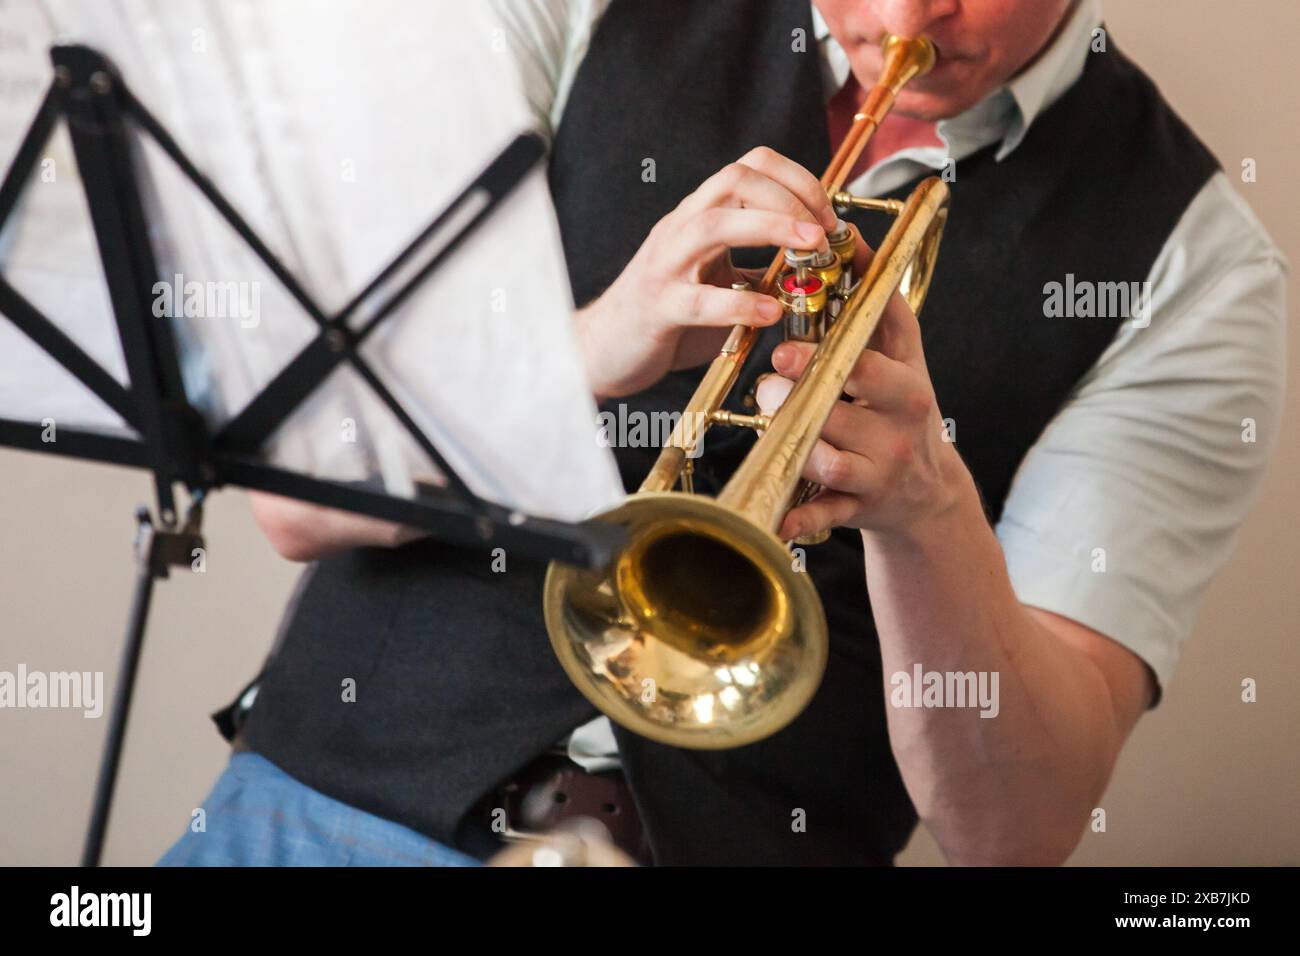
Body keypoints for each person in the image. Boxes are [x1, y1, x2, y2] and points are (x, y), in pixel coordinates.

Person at [163, 0, 1286, 866]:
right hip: (323, 817)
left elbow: (1018, 830)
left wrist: (927, 509)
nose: (901, 24)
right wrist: (592, 348)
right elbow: (294, 494)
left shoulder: (1200, 262)